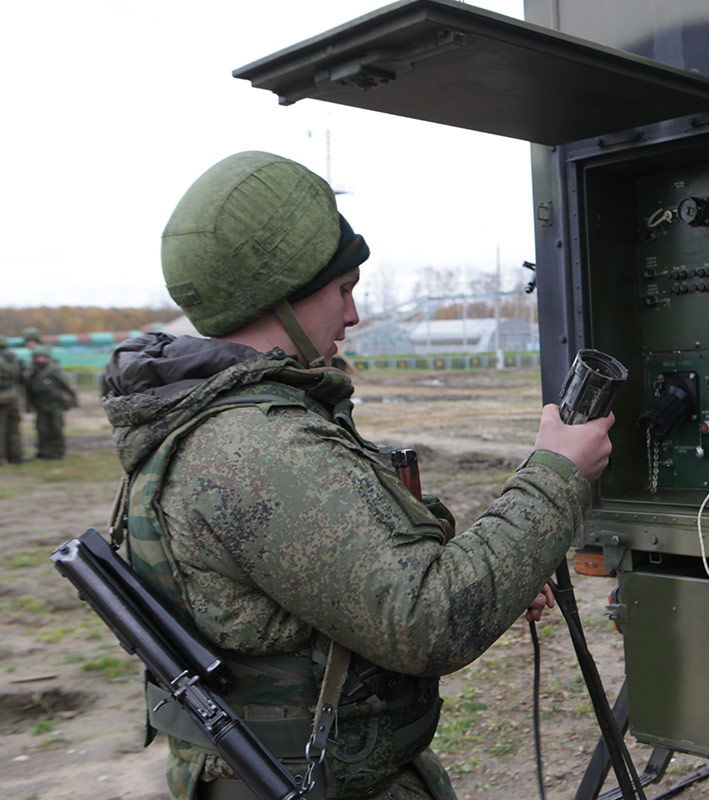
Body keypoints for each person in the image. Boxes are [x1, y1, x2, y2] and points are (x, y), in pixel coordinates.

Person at [100, 151, 613, 800]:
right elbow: (427, 619)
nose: (353, 316)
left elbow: (362, 572)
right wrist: (559, 472)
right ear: (280, 296)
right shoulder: (255, 447)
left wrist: (497, 566)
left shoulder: (225, 421)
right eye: (344, 291)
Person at [25, 345, 76, 459]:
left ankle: (58, 452)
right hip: (40, 404)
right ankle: (43, 451)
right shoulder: (32, 372)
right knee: (42, 429)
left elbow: (66, 386)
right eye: (38, 357)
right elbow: (28, 390)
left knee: (56, 428)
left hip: (55, 404)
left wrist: (72, 400)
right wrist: (29, 405)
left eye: (42, 357)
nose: (40, 359)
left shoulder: (54, 370)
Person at [0, 338, 23, 464]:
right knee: (14, 428)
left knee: (1, 429)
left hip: (2, 398)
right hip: (13, 397)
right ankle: (16, 456)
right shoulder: (13, 359)